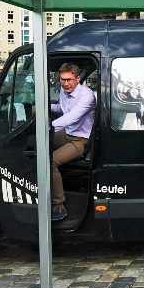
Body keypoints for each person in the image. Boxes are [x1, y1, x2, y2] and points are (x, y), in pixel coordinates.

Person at [49, 63, 96, 221]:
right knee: (36, 147)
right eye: (62, 80)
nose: (65, 83)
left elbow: (72, 117)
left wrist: (47, 127)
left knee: (51, 162)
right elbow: (63, 110)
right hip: (66, 133)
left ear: (77, 79)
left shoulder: (86, 95)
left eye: (69, 80)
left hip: (80, 140)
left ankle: (58, 206)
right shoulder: (64, 91)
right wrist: (44, 107)